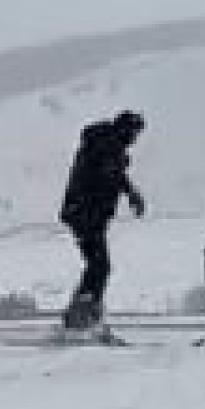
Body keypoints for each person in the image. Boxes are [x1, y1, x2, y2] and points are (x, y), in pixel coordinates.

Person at [58, 109, 147, 330]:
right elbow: (110, 173)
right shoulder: (106, 144)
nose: (135, 139)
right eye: (134, 133)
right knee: (100, 265)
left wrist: (130, 193)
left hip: (86, 214)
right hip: (85, 214)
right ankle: (83, 316)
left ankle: (81, 314)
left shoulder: (107, 144)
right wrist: (131, 193)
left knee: (98, 265)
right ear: (125, 129)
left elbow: (115, 174)